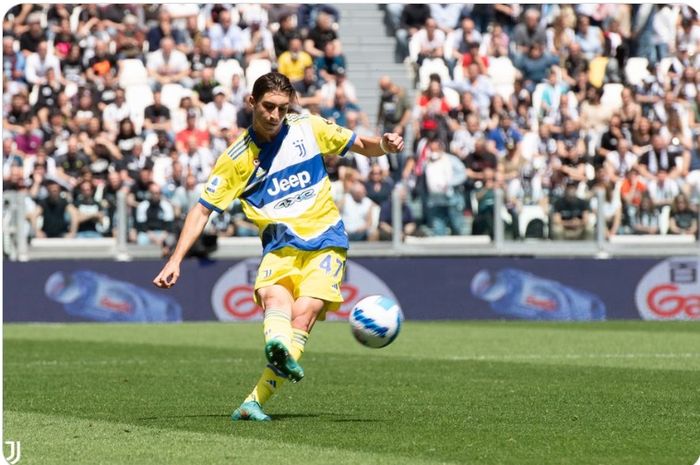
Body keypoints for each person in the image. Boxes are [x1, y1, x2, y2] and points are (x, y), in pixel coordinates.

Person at [152, 72, 403, 421]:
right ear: (252, 103)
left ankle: (258, 393)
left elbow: (361, 144)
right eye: (268, 106)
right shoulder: (237, 158)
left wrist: (385, 145)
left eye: (282, 109)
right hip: (279, 246)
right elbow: (202, 209)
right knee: (274, 298)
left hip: (326, 241)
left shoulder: (308, 127)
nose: (274, 115)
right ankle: (263, 381)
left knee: (305, 312)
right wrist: (175, 259)